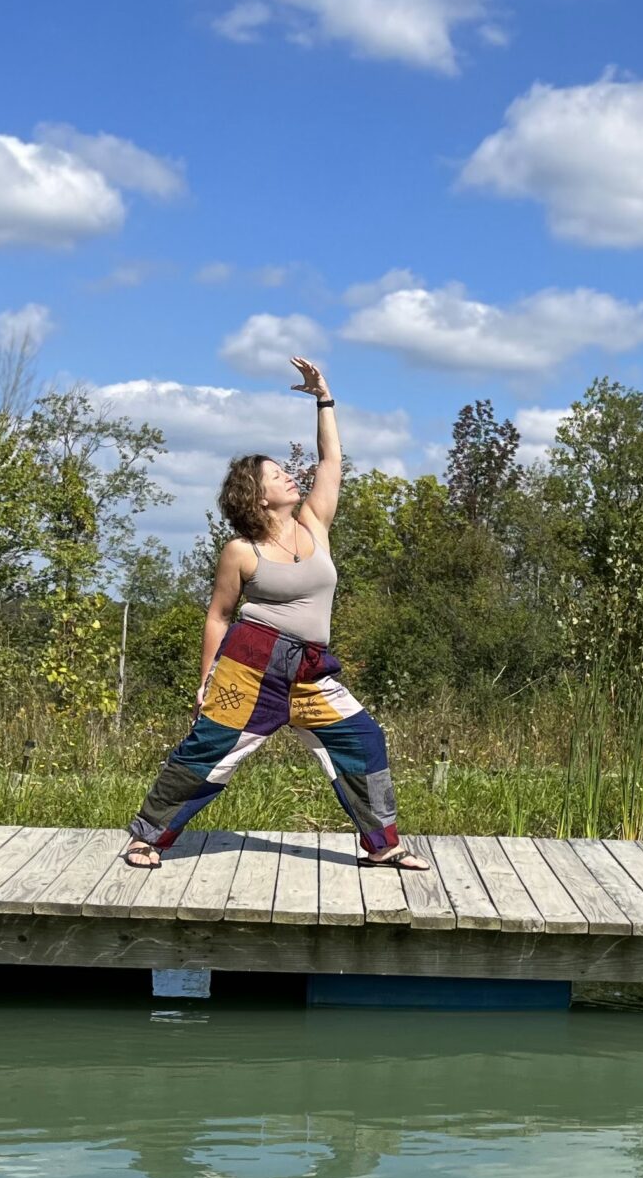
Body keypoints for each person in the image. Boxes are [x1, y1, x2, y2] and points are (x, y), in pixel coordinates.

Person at [123, 356, 428, 872]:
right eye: (278, 476)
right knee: (210, 751)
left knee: (363, 739)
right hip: (252, 662)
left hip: (310, 667)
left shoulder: (314, 522)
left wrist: (323, 398)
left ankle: (383, 844)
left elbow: (331, 462)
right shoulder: (241, 551)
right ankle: (146, 838)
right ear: (256, 496)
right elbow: (218, 617)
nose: (291, 478)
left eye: (287, 472)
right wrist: (206, 681)